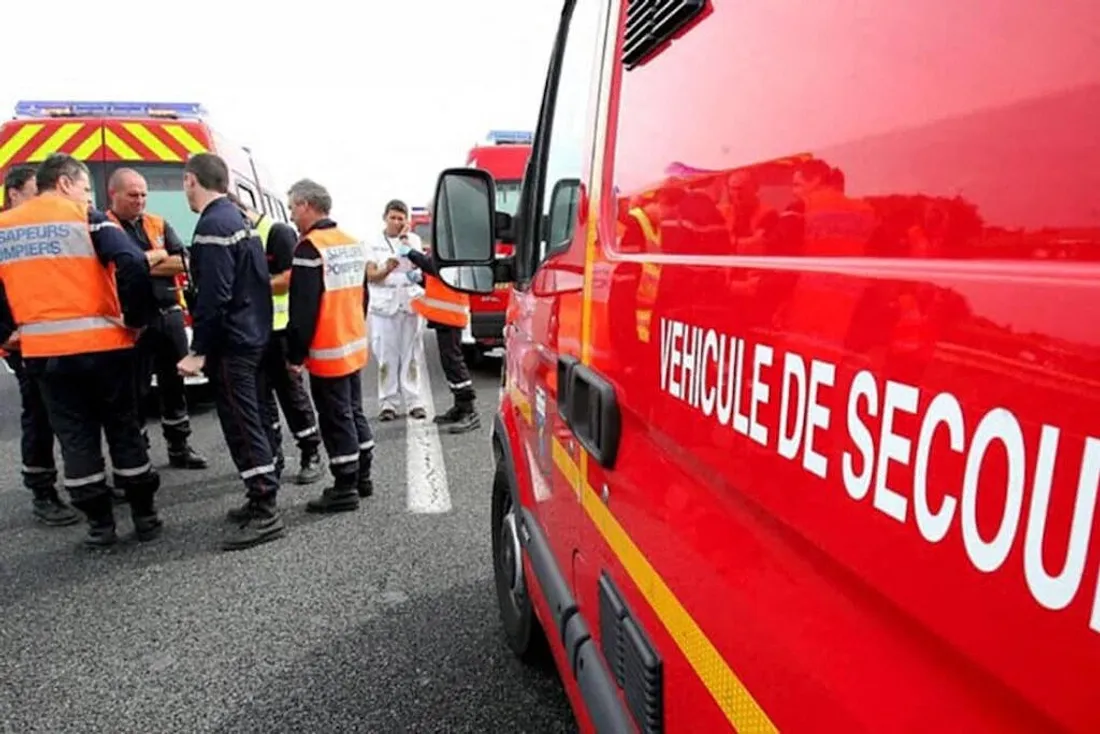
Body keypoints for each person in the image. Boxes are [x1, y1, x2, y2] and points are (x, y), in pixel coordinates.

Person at [0, 153, 162, 547]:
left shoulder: (4, 227)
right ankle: (144, 517)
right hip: (104, 346)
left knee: (76, 439)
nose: (88, 195)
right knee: (122, 428)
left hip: (43, 352)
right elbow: (133, 262)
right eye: (86, 187)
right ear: (66, 183)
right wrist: (137, 319)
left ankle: (99, 525)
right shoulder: (87, 218)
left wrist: (6, 330)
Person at [177, 153, 283, 550]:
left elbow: (213, 298)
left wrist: (199, 351)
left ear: (192, 181)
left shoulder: (212, 226)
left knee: (241, 424)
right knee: (252, 418)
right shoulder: (238, 220)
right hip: (253, 337)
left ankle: (265, 508)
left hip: (232, 344)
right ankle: (261, 494)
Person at [106, 168, 208, 470]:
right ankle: (139, 454)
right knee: (133, 391)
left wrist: (140, 261)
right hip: (131, 321)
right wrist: (155, 257)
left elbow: (184, 261)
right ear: (114, 195)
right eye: (133, 195)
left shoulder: (157, 223)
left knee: (174, 385)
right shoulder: (104, 227)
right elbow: (118, 268)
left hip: (169, 315)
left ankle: (179, 447)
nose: (140, 201)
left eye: (143, 195)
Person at [285, 178, 375, 510]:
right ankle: (363, 476)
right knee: (353, 411)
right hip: (351, 342)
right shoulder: (351, 243)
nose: (292, 214)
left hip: (327, 348)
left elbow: (303, 309)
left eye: (294, 206)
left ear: (307, 205)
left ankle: (344, 486)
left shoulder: (310, 248)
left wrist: (295, 355)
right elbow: (363, 296)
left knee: (335, 418)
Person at [0, 164, 79, 526]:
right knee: (39, 413)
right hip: (23, 341)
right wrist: (4, 333)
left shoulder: (36, 227)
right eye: (35, 191)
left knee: (66, 411)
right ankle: (42, 490)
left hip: (55, 334)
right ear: (14, 192)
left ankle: (79, 482)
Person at [226, 192, 323, 485]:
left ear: (241, 211)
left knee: (292, 397)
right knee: (260, 400)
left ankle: (310, 453)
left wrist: (248, 287)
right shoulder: (239, 235)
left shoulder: (278, 233)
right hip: (252, 332)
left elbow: (291, 277)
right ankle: (273, 456)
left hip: (279, 331)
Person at [402, 246, 481, 433]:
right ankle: (460, 407)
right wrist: (421, 280)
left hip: (451, 315)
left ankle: (469, 411)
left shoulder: (454, 250)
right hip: (444, 316)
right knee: (449, 362)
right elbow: (438, 279)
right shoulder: (449, 248)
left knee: (454, 362)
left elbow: (436, 267)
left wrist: (413, 254)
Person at [366, 199, 428, 421]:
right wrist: (387, 268)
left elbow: (419, 269)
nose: (396, 221)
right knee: (386, 356)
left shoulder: (414, 240)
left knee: (411, 355)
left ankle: (414, 401)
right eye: (393, 217)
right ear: (385, 218)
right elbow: (370, 275)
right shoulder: (372, 242)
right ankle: (388, 403)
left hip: (409, 304)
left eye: (401, 218)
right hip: (384, 307)